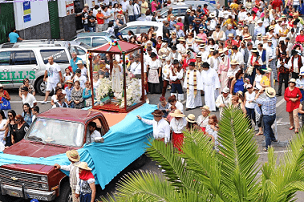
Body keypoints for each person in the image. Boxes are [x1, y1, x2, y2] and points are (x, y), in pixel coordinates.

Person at [255, 87, 277, 151]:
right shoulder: (274, 99)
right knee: (269, 126)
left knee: (266, 131)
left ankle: (268, 146)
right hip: (273, 116)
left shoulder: (264, 101)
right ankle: (273, 138)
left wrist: (259, 92)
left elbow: (256, 99)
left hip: (266, 117)